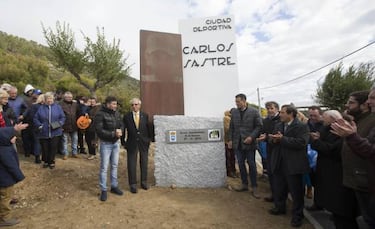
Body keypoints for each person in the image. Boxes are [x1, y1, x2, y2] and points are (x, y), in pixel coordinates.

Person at [331, 89, 375, 228]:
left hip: (365, 180)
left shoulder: (371, 121)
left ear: (363, 105)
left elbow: (369, 151)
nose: (346, 106)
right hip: (354, 178)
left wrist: (351, 136)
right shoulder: (357, 120)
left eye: (351, 103)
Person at [310, 110, 359, 228]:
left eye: (325, 118)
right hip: (326, 169)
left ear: (332, 119)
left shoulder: (340, 132)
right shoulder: (326, 128)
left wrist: (316, 141)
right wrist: (317, 139)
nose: (323, 119)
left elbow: (332, 150)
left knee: (342, 211)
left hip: (336, 172)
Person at [268, 104, 310, 228]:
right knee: (279, 188)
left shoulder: (302, 126)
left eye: (282, 112)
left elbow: (302, 143)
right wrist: (273, 140)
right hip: (279, 162)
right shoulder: (278, 125)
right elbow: (272, 140)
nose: (280, 114)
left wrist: (282, 139)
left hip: (294, 164)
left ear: (290, 114)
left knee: (296, 192)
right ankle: (280, 208)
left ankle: (297, 216)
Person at [228, 93, 263, 198]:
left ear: (244, 101)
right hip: (238, 143)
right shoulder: (234, 112)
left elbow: (259, 126)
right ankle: (244, 184)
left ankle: (254, 186)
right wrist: (230, 140)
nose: (237, 103)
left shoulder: (254, 112)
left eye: (238, 101)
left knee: (251, 164)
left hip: (249, 143)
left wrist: (252, 137)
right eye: (236, 102)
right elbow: (231, 127)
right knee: (241, 164)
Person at [95, 96, 123, 201]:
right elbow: (99, 130)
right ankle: (103, 190)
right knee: (104, 167)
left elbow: (121, 124)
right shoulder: (100, 114)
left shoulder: (116, 113)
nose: (115, 106)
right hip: (106, 144)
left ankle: (114, 186)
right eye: (113, 104)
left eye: (116, 104)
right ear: (107, 104)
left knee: (115, 165)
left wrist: (121, 131)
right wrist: (113, 134)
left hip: (116, 143)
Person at [0, 123, 28, 227]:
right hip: (4, 179)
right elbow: (11, 165)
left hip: (2, 178)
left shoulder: (3, 145)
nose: (15, 138)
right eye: (13, 137)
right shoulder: (4, 150)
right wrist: (19, 176)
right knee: (5, 196)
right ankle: (5, 218)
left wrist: (15, 128)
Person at [122, 98, 152, 194]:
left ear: (139, 105)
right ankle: (133, 184)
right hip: (131, 143)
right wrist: (123, 142)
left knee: (144, 162)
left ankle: (144, 182)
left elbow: (149, 128)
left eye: (136, 104)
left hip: (143, 143)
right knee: (131, 164)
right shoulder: (126, 116)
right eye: (132, 105)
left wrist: (149, 140)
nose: (134, 106)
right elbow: (123, 129)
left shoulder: (145, 115)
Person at [33, 92, 65, 169]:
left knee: (53, 147)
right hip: (44, 131)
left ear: (53, 99)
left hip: (55, 131)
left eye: (50, 98)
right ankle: (46, 161)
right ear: (45, 99)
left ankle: (52, 161)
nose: (49, 100)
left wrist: (58, 124)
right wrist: (40, 125)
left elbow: (63, 117)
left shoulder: (58, 107)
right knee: (45, 148)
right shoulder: (41, 108)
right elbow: (35, 118)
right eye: (48, 98)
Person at [257, 101, 281, 202]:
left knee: (278, 174)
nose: (269, 110)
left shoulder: (281, 120)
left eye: (271, 108)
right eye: (268, 109)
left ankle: (280, 197)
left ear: (276, 109)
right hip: (270, 148)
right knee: (271, 172)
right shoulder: (266, 120)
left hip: (280, 150)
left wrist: (267, 137)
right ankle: (274, 194)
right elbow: (263, 131)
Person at [24, 93, 45, 164]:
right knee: (37, 142)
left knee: (39, 142)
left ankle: (40, 157)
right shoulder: (35, 106)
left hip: (40, 126)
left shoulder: (34, 106)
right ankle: (37, 157)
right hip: (37, 127)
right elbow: (32, 116)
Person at [60, 91, 80, 160]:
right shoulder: (60, 104)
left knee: (75, 140)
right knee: (64, 141)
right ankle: (65, 154)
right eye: (68, 97)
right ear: (64, 97)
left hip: (74, 125)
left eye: (71, 97)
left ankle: (74, 153)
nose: (69, 98)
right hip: (64, 125)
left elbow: (78, 112)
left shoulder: (75, 104)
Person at [224, 109, 236, 178]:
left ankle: (233, 170)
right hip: (227, 141)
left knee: (232, 157)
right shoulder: (227, 118)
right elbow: (228, 129)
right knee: (229, 157)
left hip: (232, 141)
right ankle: (230, 171)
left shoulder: (232, 119)